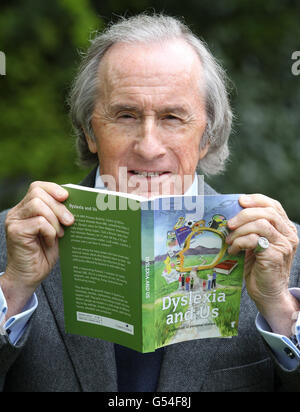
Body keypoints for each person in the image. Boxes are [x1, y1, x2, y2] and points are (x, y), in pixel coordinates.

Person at [0, 13, 300, 392]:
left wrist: (281, 310)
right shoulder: (11, 242)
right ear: (90, 131)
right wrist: (11, 292)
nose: (148, 147)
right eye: (125, 116)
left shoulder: (284, 252)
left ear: (206, 136)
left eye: (172, 117)